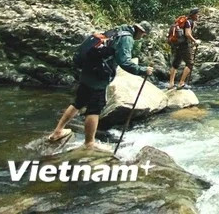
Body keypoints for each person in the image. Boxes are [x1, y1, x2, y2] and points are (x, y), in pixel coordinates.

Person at [48, 21, 154, 150]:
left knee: (79, 102)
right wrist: (143, 70)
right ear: (141, 31)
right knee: (95, 108)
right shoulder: (127, 38)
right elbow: (124, 62)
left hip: (88, 70)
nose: (142, 37)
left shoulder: (117, 29)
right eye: (143, 35)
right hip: (98, 75)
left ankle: (58, 131)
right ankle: (89, 143)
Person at [168, 8, 201, 90]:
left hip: (177, 45)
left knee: (175, 64)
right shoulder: (189, 22)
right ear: (193, 15)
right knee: (190, 64)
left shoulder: (184, 21)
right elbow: (187, 34)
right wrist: (195, 41)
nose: (198, 16)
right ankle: (181, 83)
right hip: (184, 45)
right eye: (197, 14)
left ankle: (171, 84)